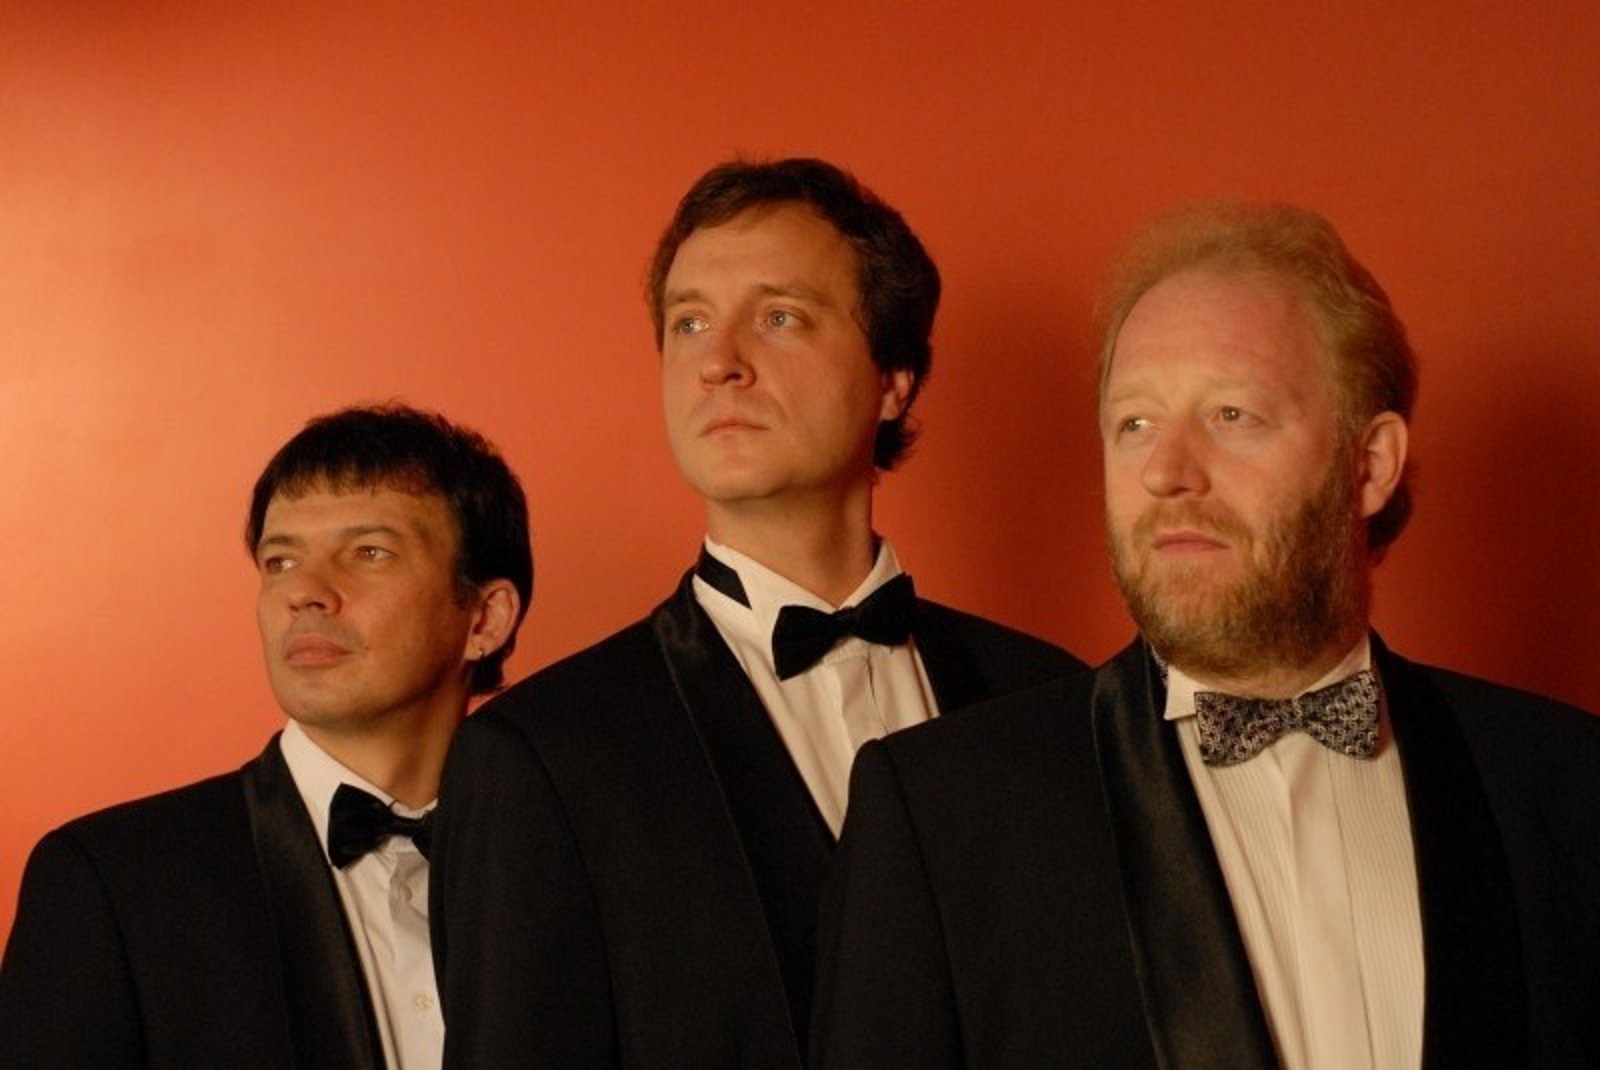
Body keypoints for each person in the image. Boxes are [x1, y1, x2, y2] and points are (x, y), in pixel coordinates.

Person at [811, 202, 1600, 1069]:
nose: (1166, 472)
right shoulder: (944, 817)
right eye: (1135, 424)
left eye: (1232, 414)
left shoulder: (1566, 788)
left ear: (1370, 464)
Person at [430, 157, 1082, 1068]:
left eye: (779, 318)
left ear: (893, 378)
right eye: (689, 322)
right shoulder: (539, 756)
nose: (718, 362)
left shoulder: (1057, 701)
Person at [0, 404, 531, 1069]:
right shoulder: (110, 883)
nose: (304, 591)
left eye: (369, 552)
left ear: (484, 619)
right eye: (280, 561)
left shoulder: (566, 857)